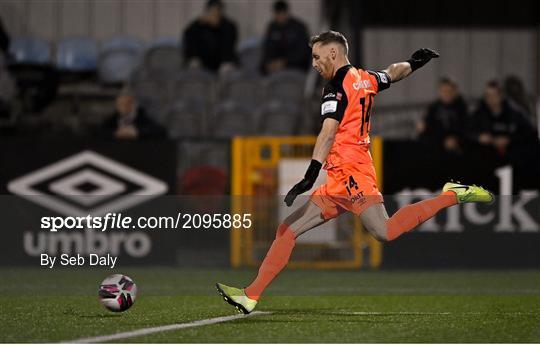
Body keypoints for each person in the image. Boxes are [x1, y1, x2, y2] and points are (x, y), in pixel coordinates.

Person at [216, 31, 494, 314]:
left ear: (333, 54)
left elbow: (327, 132)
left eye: (316, 56)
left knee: (384, 232)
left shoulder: (335, 87)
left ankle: (451, 195)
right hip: (340, 176)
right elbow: (392, 73)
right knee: (287, 229)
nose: (313, 63)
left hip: (352, 172)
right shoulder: (365, 78)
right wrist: (414, 62)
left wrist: (310, 175)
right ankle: (250, 295)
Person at [470, 80, 536, 155]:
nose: (491, 99)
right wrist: (478, 137)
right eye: (488, 95)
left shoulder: (513, 113)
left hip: (511, 153)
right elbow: (467, 130)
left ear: (500, 96)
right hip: (486, 154)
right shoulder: (478, 113)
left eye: (494, 95)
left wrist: (509, 139)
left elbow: (529, 131)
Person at [182, 0, 238, 74]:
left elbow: (229, 44)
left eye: (217, 10)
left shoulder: (228, 25)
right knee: (193, 67)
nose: (214, 13)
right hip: (202, 60)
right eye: (212, 10)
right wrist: (200, 24)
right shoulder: (198, 25)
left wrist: (219, 26)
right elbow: (188, 38)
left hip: (223, 61)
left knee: (227, 69)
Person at [417, 77, 468, 153]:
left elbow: (466, 128)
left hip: (458, 147)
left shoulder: (461, 108)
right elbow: (426, 129)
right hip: (438, 148)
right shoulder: (433, 108)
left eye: (449, 91)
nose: (446, 94)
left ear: (454, 92)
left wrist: (456, 140)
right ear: (439, 92)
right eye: (444, 91)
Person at [260, 0, 311, 74]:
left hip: (297, 67)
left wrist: (284, 62)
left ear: (287, 13)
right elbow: (267, 48)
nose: (280, 17)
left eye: (282, 14)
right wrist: (269, 63)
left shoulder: (299, 27)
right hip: (275, 68)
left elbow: (303, 52)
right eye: (278, 14)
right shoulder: (272, 27)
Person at [100, 88, 166, 140]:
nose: (121, 108)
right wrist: (115, 133)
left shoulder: (143, 115)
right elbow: (100, 131)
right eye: (119, 104)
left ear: (132, 104)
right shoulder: (115, 117)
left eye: (125, 104)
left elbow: (159, 130)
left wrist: (137, 132)